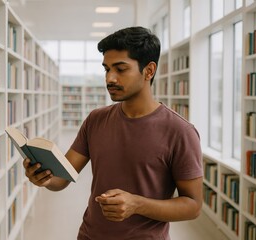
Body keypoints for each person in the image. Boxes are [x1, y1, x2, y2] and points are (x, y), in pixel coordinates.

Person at [23, 26, 203, 240]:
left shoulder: (180, 131)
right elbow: (61, 179)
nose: (110, 78)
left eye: (120, 69)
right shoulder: (95, 120)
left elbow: (193, 206)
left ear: (149, 70)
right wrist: (44, 178)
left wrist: (137, 204)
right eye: (107, 69)